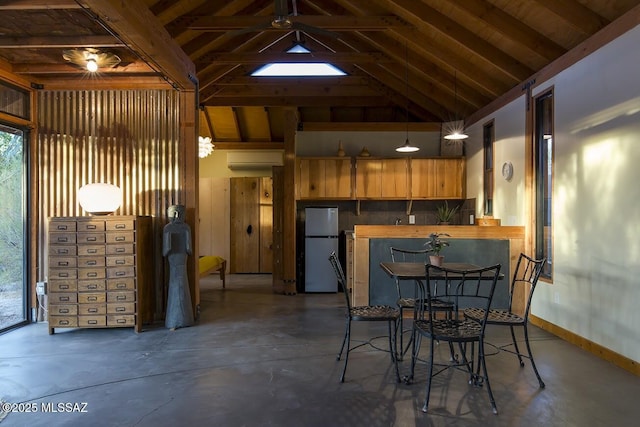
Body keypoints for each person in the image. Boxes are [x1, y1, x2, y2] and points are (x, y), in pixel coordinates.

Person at [163, 204, 194, 329]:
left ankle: (175, 320)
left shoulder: (168, 228)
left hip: (176, 258)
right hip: (179, 258)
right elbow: (189, 249)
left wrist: (170, 245)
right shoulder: (185, 228)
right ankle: (182, 319)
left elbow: (165, 251)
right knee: (179, 285)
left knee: (176, 285)